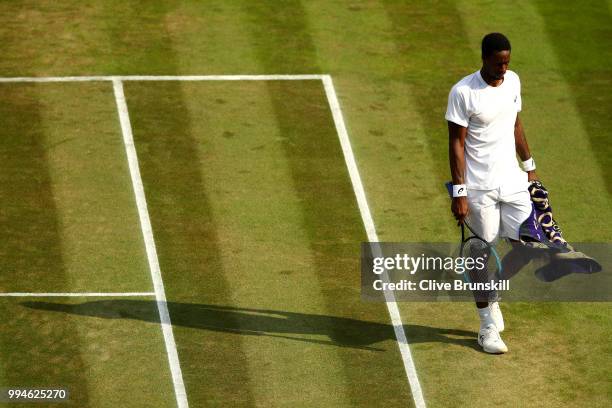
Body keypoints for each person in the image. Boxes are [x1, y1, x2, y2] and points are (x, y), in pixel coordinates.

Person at [446, 32, 538, 354]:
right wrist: (459, 192)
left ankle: (493, 291)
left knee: (528, 247)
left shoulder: (513, 82)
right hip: (479, 187)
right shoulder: (463, 92)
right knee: (479, 255)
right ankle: (486, 326)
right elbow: (456, 143)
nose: (503, 69)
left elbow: (516, 125)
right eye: (498, 63)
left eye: (507, 63)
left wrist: (529, 166)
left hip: (512, 182)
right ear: (484, 58)